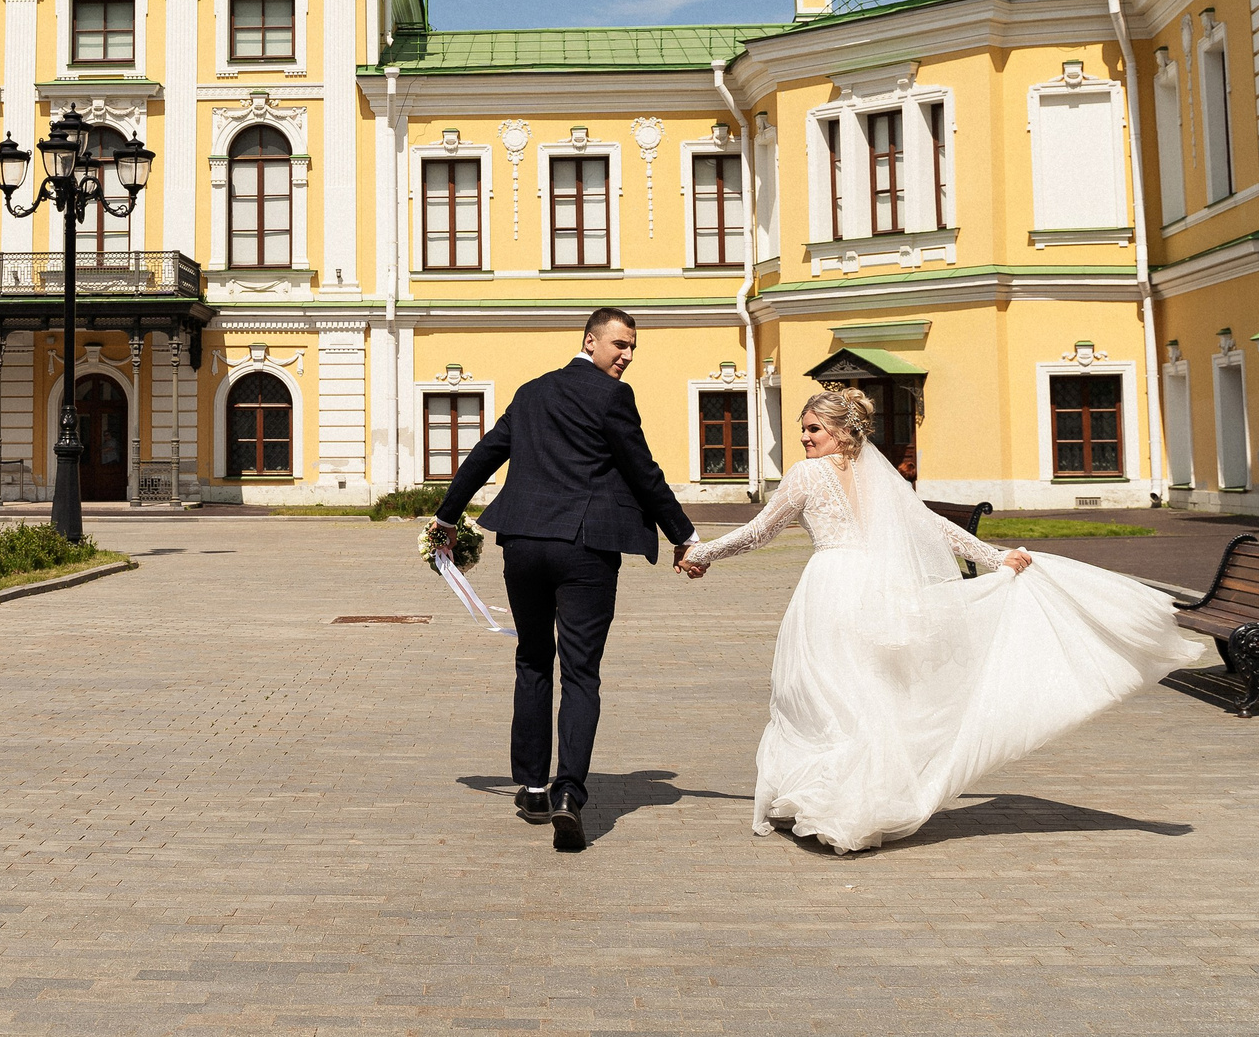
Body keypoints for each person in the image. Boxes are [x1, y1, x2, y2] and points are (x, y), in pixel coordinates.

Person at [677, 387, 1206, 853]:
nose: (805, 438)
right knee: (868, 696)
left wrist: (702, 553)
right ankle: (856, 805)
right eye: (804, 430)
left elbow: (759, 531)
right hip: (880, 593)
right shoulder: (879, 477)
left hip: (833, 592)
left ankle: (841, 805)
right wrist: (992, 556)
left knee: (827, 697)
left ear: (842, 431)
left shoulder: (807, 475)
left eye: (814, 429)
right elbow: (932, 526)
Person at [426, 307, 695, 852]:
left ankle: (531, 788)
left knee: (531, 658)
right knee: (581, 671)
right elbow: (643, 471)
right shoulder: (612, 397)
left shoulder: (532, 392)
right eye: (619, 344)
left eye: (632, 348)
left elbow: (485, 453)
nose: (627, 356)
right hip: (585, 548)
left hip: (523, 543)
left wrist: (447, 518)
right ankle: (568, 791)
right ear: (590, 340)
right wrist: (683, 536)